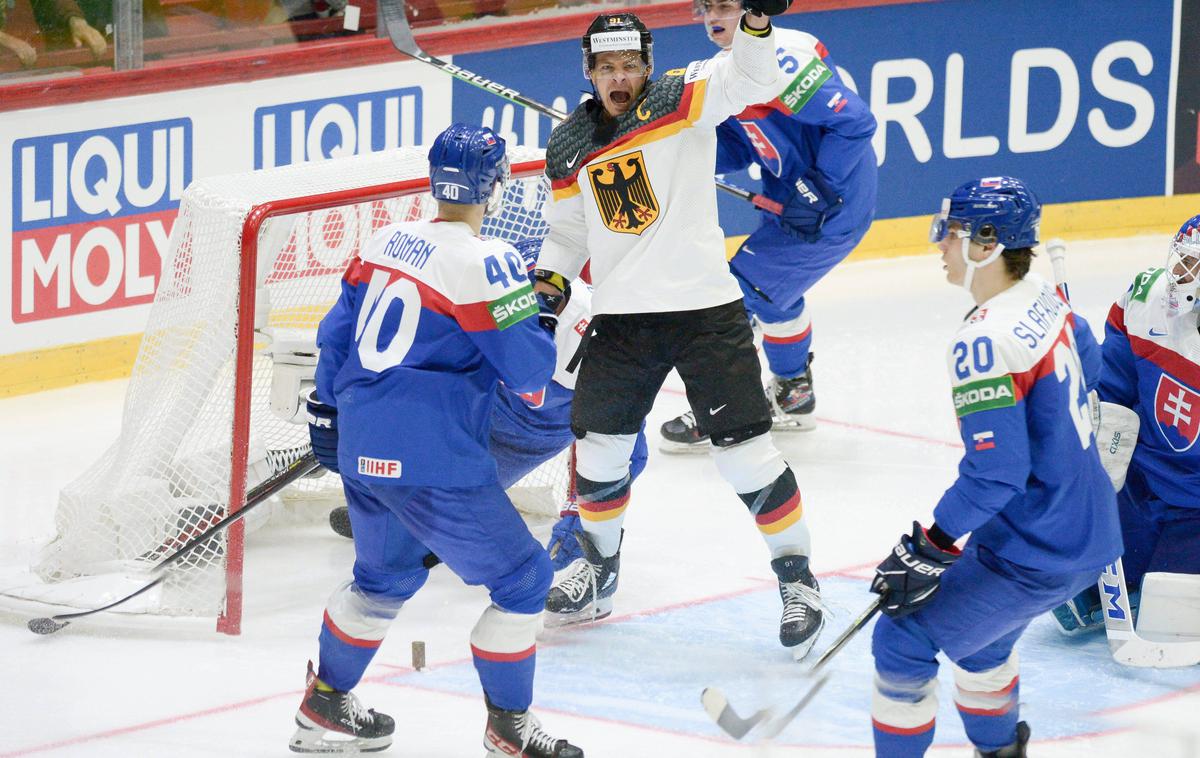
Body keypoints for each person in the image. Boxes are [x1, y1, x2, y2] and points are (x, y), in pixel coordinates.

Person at [534, 4, 828, 661]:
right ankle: (599, 574)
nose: (620, 76)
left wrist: (755, 25)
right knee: (600, 453)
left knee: (746, 457)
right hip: (623, 319)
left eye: (631, 64)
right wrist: (547, 295)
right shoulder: (569, 146)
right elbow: (569, 233)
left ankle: (798, 581)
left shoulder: (686, 97)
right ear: (589, 71)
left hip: (704, 315)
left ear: (648, 67)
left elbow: (750, 78)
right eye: (607, 66)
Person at [294, 123, 583, 758]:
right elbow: (531, 374)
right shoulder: (490, 261)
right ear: (496, 185)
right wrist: (543, 315)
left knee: (384, 577)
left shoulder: (384, 240)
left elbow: (335, 338)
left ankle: (325, 706)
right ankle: (508, 726)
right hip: (432, 458)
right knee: (525, 580)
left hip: (360, 443)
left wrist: (325, 410)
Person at [866, 177, 1122, 757]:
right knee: (982, 646)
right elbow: (1093, 363)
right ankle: (1002, 751)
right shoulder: (1042, 298)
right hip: (1087, 529)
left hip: (1037, 547)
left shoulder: (985, 339)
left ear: (985, 244)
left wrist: (932, 544)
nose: (940, 246)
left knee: (902, 638)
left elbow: (996, 474)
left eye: (950, 235)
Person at [328, 236, 651, 573]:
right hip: (482, 408)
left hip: (535, 432)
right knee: (415, 496)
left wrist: (577, 524)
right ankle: (407, 509)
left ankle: (579, 556)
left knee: (462, 505)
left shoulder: (591, 335)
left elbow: (628, 447)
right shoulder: (480, 292)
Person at [659, 0, 877, 452]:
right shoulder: (725, 70)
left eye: (725, 6)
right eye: (705, 7)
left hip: (833, 205)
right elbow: (741, 150)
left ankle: (723, 407)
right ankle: (794, 393)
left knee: (738, 292)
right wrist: (669, 156)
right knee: (777, 297)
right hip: (792, 194)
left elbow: (856, 122)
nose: (712, 17)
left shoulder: (785, 63)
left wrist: (821, 186)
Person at [1051, 214, 1200, 634]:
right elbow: (1114, 386)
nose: (1179, 277)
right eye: (1181, 262)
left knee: (1169, 621)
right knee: (1073, 593)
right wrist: (1097, 427)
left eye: (1194, 268)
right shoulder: (1147, 298)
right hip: (1143, 485)